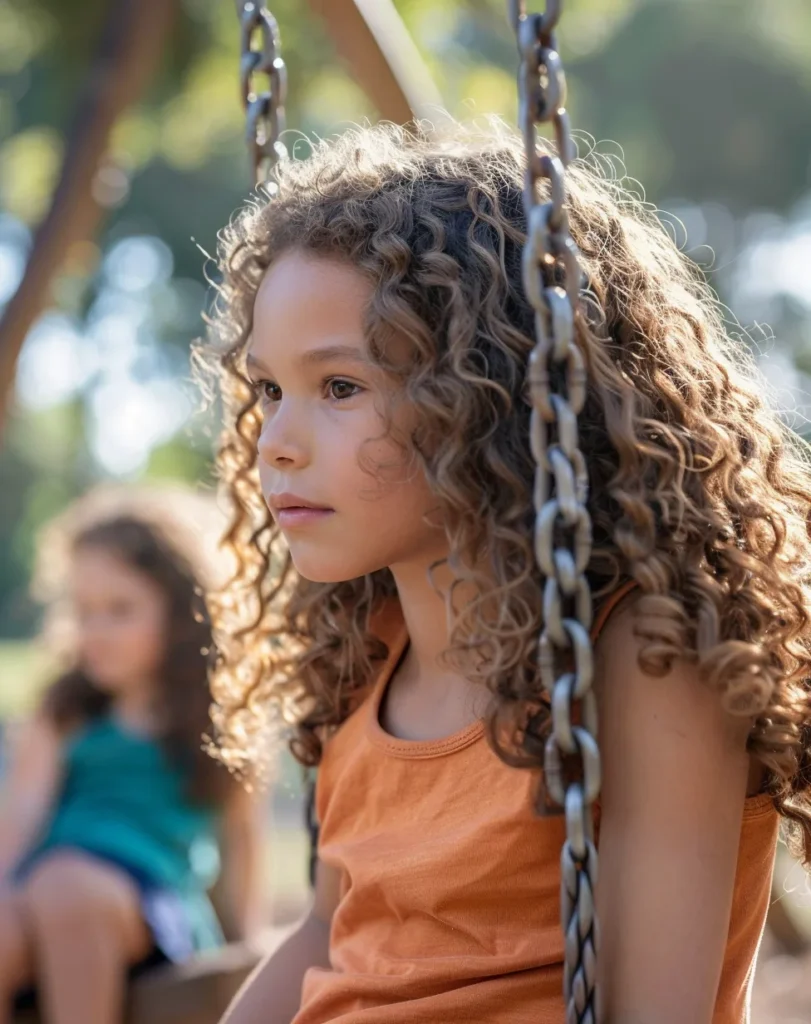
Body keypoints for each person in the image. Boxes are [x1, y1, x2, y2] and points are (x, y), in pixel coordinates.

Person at [203, 121, 811, 1024]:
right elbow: (331, 932)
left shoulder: (644, 654)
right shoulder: (369, 653)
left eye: (338, 388)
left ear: (491, 394)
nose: (277, 446)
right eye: (267, 390)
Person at [0, 488, 263, 1024]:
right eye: (83, 611)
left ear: (185, 612)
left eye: (120, 610)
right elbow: (21, 814)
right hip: (43, 883)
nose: (95, 631)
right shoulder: (66, 712)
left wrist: (249, 946)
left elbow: (241, 839)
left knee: (67, 888)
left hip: (146, 900)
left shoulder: (212, 723)